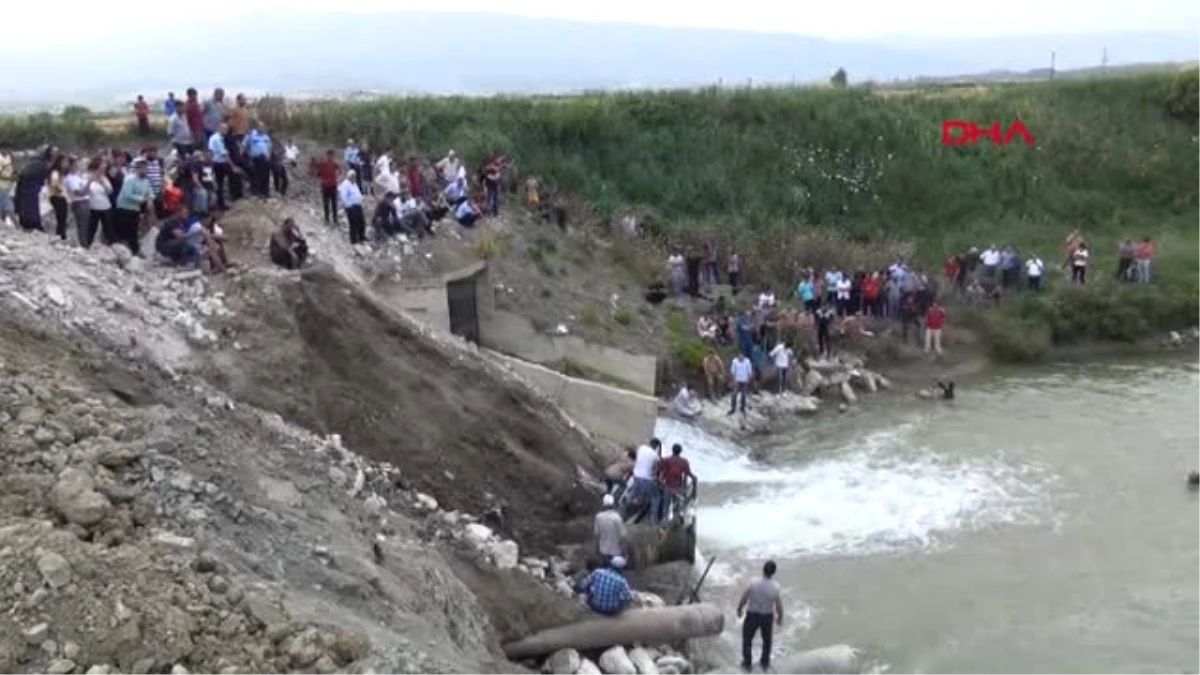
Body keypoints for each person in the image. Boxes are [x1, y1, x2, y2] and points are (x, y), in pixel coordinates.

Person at [736, 560, 784, 672]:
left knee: (747, 639)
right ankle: (764, 663)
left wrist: (739, 609)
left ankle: (747, 663)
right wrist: (780, 617)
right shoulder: (775, 587)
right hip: (767, 616)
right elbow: (778, 605)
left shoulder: (753, 582)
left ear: (763, 569)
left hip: (752, 615)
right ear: (773, 573)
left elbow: (744, 597)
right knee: (767, 641)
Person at [114, 158, 152, 255]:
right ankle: (122, 252)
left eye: (147, 169)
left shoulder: (146, 181)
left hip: (135, 209)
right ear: (138, 169)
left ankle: (135, 251)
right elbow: (127, 194)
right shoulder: (129, 179)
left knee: (134, 230)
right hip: (124, 208)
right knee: (124, 230)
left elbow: (150, 193)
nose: (146, 171)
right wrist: (141, 199)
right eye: (144, 169)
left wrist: (150, 199)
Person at [657, 443, 696, 522]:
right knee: (677, 507)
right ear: (680, 451)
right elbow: (687, 474)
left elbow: (659, 471)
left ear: (672, 450)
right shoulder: (684, 461)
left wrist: (660, 483)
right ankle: (675, 522)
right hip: (678, 487)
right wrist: (693, 480)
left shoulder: (666, 460)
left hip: (667, 486)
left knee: (666, 507)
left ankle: (664, 522)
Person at [630, 439, 662, 523]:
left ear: (649, 443)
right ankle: (653, 520)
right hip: (646, 479)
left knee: (635, 494)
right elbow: (657, 468)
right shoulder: (655, 455)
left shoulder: (641, 448)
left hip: (636, 476)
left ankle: (627, 509)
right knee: (656, 497)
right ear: (657, 447)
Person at [84, 158, 113, 248]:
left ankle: (111, 245)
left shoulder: (104, 178)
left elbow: (110, 191)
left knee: (108, 229)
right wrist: (89, 182)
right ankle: (88, 245)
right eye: (101, 167)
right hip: (94, 208)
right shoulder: (88, 177)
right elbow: (85, 192)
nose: (103, 169)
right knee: (91, 228)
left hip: (106, 207)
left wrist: (103, 183)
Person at [593, 494, 626, 566]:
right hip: (616, 553)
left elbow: (596, 535)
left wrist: (596, 549)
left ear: (604, 504)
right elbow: (622, 537)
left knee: (605, 573)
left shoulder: (598, 517)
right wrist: (624, 552)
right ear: (613, 504)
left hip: (603, 552)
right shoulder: (617, 518)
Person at [64, 157, 90, 245]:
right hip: (79, 203)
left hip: (86, 201)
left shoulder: (77, 176)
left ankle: (86, 244)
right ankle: (84, 244)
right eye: (75, 165)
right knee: (82, 226)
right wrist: (89, 184)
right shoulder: (69, 178)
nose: (77, 166)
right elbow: (79, 192)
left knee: (87, 226)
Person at [207, 123, 232, 211]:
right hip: (218, 163)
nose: (226, 131)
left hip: (218, 163)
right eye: (224, 129)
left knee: (219, 183)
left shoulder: (218, 137)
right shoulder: (217, 139)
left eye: (226, 129)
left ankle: (220, 202)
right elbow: (224, 153)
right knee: (219, 184)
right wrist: (233, 166)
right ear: (219, 129)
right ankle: (221, 204)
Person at [46, 154, 70, 240]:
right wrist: (59, 190)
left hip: (59, 196)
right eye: (65, 162)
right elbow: (54, 183)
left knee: (62, 218)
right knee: (61, 218)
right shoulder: (56, 172)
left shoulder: (60, 173)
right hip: (58, 197)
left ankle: (61, 235)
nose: (66, 164)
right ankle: (61, 235)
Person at [313, 149, 340, 224]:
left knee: (328, 204)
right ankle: (333, 219)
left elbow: (317, 173)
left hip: (327, 185)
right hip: (330, 186)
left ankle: (329, 219)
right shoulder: (331, 163)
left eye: (332, 155)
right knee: (331, 203)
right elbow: (339, 170)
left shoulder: (323, 163)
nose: (331, 157)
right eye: (331, 155)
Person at [339, 170, 366, 244]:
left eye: (355, 176)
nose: (354, 177)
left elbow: (358, 193)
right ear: (349, 176)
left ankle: (362, 237)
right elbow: (343, 196)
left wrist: (360, 198)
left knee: (361, 221)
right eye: (353, 176)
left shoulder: (354, 184)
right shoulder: (345, 184)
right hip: (351, 206)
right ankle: (353, 240)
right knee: (353, 223)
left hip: (358, 205)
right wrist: (348, 205)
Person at [728, 352, 753, 416]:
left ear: (744, 356)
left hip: (745, 381)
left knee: (743, 395)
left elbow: (750, 372)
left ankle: (742, 408)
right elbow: (732, 372)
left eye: (742, 356)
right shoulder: (734, 361)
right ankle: (733, 409)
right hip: (737, 381)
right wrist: (733, 381)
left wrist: (748, 380)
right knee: (734, 394)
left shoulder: (747, 361)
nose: (741, 357)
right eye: (739, 356)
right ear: (738, 356)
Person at [0, 141, 14, 227]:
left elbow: (10, 169)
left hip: (7, 186)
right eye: (6, 149)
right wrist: (9, 178)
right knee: (8, 207)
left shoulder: (8, 157)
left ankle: (3, 224)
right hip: (1, 186)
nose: (8, 150)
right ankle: (18, 226)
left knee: (2, 207)